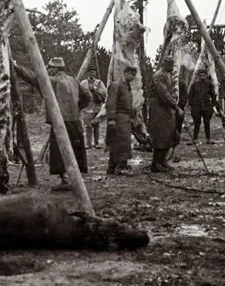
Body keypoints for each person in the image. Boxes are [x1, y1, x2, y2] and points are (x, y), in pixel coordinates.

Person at [14, 56, 92, 190]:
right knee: (75, 149)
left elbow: (31, 77)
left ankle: (66, 181)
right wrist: (77, 107)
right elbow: (88, 96)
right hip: (75, 121)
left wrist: (16, 67)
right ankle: (75, 180)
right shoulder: (74, 81)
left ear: (56, 69)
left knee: (59, 151)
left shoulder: (51, 81)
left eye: (50, 67)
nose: (48, 69)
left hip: (60, 121)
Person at [147, 56, 184, 173]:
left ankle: (162, 161)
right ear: (165, 64)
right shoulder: (159, 75)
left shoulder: (166, 75)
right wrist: (176, 107)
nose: (172, 67)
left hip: (165, 108)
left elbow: (168, 94)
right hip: (158, 108)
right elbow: (164, 95)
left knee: (169, 134)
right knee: (161, 136)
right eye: (170, 65)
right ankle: (155, 164)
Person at [106, 66, 137, 175]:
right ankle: (120, 167)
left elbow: (128, 104)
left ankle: (114, 166)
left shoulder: (126, 86)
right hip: (119, 117)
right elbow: (111, 103)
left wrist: (132, 117)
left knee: (121, 142)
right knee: (121, 143)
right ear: (127, 73)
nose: (133, 77)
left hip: (125, 117)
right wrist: (112, 119)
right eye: (132, 74)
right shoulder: (116, 85)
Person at [187, 68, 219, 144]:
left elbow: (213, 95)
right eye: (200, 75)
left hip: (207, 107)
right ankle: (195, 139)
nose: (202, 77)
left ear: (206, 76)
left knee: (207, 123)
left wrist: (213, 104)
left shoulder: (209, 84)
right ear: (198, 76)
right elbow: (190, 96)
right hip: (196, 107)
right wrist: (192, 106)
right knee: (197, 123)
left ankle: (208, 139)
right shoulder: (194, 85)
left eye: (203, 75)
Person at [80, 67, 107, 149]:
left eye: (94, 72)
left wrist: (96, 89)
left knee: (96, 126)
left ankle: (97, 143)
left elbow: (104, 93)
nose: (93, 74)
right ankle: (88, 143)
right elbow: (80, 93)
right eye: (91, 72)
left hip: (96, 107)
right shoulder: (83, 83)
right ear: (88, 73)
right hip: (87, 108)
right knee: (88, 126)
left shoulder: (99, 83)